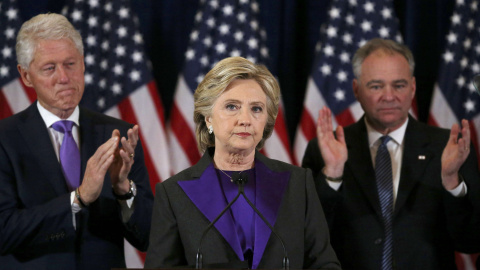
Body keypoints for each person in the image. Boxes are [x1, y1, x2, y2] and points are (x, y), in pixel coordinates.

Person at [144, 56, 340, 269]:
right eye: (231, 106)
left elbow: (324, 263)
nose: (245, 119)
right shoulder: (174, 193)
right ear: (208, 117)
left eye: (256, 109)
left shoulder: (297, 184)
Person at [302, 38, 480, 270]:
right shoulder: (325, 149)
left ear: (413, 87)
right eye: (376, 86)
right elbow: (307, 239)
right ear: (356, 89)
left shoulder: (450, 147)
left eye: (399, 85)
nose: (389, 96)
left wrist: (452, 182)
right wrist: (333, 175)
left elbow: (470, 241)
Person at [0, 13, 153, 269]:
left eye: (70, 64)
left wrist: (123, 190)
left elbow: (148, 237)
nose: (64, 77)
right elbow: (4, 231)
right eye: (50, 68)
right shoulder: (5, 139)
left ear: (82, 64)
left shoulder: (118, 135)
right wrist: (78, 199)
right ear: (26, 76)